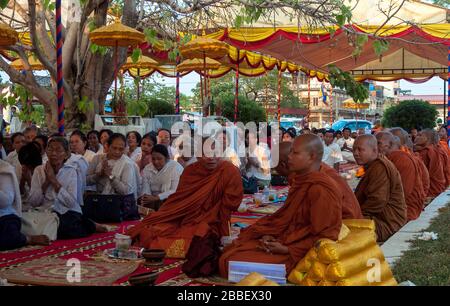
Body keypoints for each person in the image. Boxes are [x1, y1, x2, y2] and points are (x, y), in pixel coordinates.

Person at [219, 135, 343, 278]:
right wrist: (273, 236)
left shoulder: (320, 189)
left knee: (228, 262)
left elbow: (326, 237)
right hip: (285, 241)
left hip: (300, 254)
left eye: (295, 153)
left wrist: (288, 249)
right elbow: (290, 220)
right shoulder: (301, 181)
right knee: (234, 248)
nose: (289, 157)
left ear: (311, 156)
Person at [127, 138, 243, 258]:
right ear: (197, 155)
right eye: (205, 154)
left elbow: (229, 206)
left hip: (210, 220)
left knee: (196, 240)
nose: (211, 158)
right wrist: (167, 214)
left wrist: (224, 235)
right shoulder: (190, 171)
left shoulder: (229, 171)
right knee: (153, 229)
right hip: (183, 216)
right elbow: (179, 200)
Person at [27, 137, 106, 239]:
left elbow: (71, 203)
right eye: (50, 149)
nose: (54, 154)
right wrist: (46, 182)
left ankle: (89, 224)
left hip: (65, 212)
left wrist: (54, 181)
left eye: (58, 150)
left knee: (66, 227)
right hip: (44, 212)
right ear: (46, 151)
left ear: (66, 154)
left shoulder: (70, 171)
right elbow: (33, 202)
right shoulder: (39, 170)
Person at [353, 135, 407, 242]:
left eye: (360, 149)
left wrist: (355, 216)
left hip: (386, 223)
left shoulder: (380, 167)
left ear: (374, 150)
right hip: (378, 218)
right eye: (354, 149)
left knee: (342, 227)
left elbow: (377, 201)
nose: (355, 153)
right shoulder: (373, 165)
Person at [0, 159, 50, 250]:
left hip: (5, 216)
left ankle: (27, 239)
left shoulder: (4, 168)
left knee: (8, 235)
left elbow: (6, 201)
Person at [376, 132, 426, 221]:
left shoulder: (402, 159)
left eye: (378, 143)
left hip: (404, 210)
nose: (375, 147)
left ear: (390, 144)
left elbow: (403, 193)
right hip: (394, 205)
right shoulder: (389, 159)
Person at [88, 133, 140, 198]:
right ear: (107, 146)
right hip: (98, 200)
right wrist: (99, 175)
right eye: (114, 148)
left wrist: (111, 176)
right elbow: (86, 181)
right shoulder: (97, 158)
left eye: (121, 149)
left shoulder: (127, 164)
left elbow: (126, 191)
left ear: (124, 148)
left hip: (118, 203)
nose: (117, 152)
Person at [140, 144, 184, 209]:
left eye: (159, 159)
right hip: (152, 201)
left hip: (172, 201)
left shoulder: (175, 167)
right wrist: (147, 198)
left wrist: (157, 198)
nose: (156, 162)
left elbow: (175, 190)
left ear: (167, 158)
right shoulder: (147, 168)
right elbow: (145, 188)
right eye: (153, 159)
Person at [414, 129, 448, 197]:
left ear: (428, 139)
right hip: (440, 189)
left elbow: (420, 176)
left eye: (420, 135)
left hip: (431, 192)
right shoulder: (438, 149)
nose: (416, 137)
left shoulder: (426, 152)